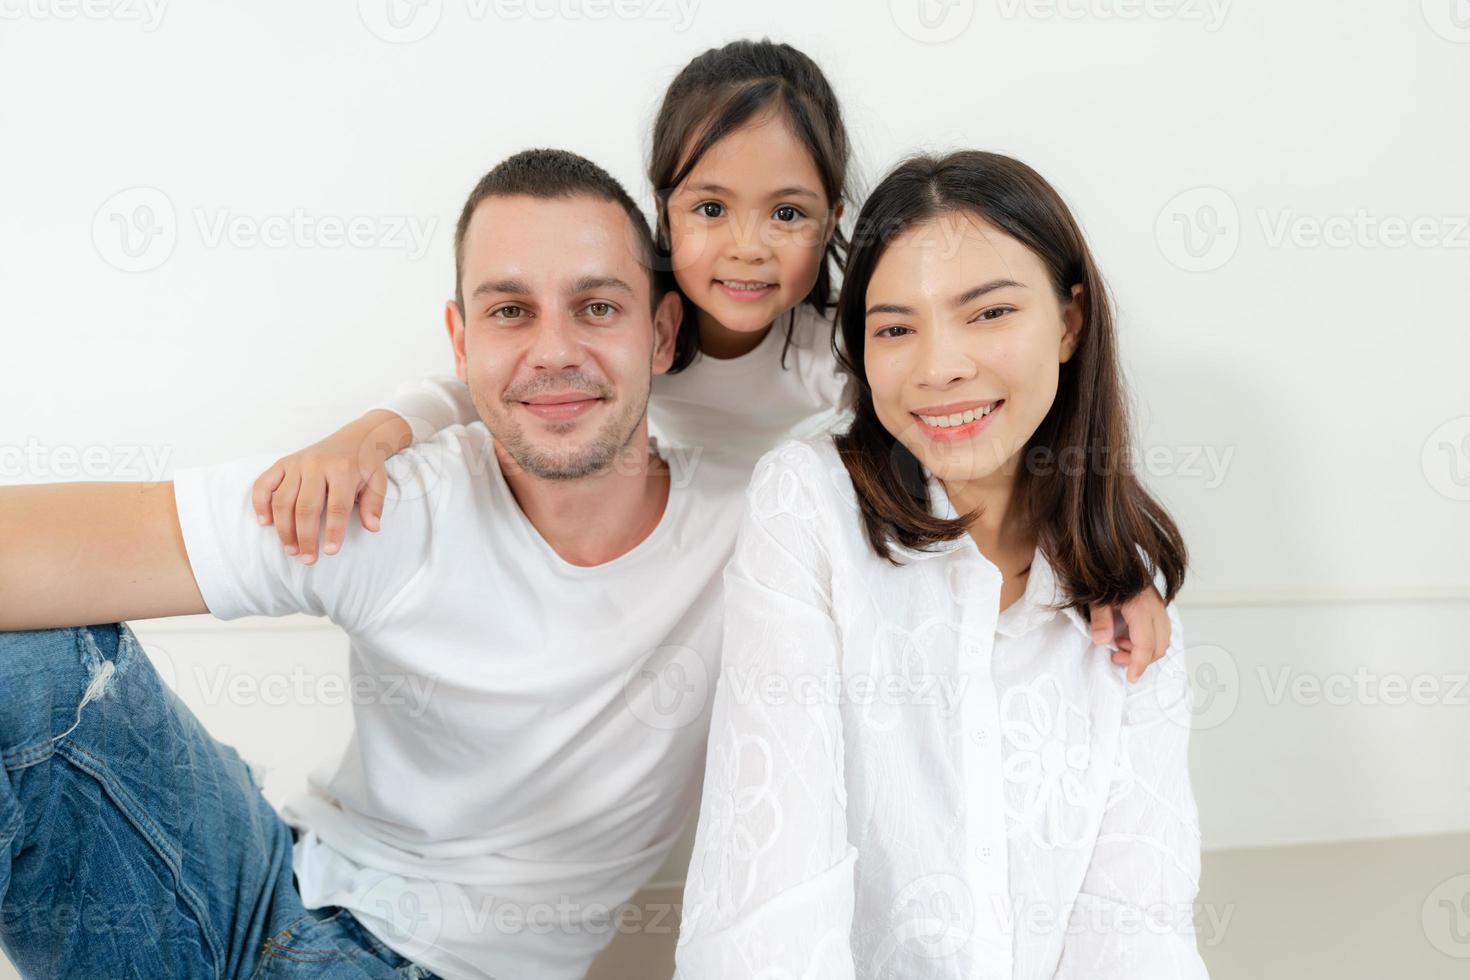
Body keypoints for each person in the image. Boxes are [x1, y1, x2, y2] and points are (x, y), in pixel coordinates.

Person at [0, 148, 751, 980]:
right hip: (256, 878)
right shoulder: (391, 502)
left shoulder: (756, 533)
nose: (553, 349)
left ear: (663, 333)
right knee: (20, 660)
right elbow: (32, 548)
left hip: (442, 969)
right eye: (510, 311)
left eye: (597, 306)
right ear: (460, 344)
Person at [249, 39, 1172, 675]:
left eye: (787, 213)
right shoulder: (637, 336)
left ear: (831, 226)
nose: (747, 248)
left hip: (742, 568)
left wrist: (1113, 563)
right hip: (614, 540)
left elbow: (985, 435)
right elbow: (473, 383)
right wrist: (368, 435)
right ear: (662, 212)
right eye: (710, 208)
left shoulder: (834, 352)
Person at [673, 150, 1210, 979]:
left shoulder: (1131, 590)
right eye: (895, 328)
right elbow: (770, 890)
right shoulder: (809, 508)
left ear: (1069, 323)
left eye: (988, 313)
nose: (939, 366)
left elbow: (1136, 922)